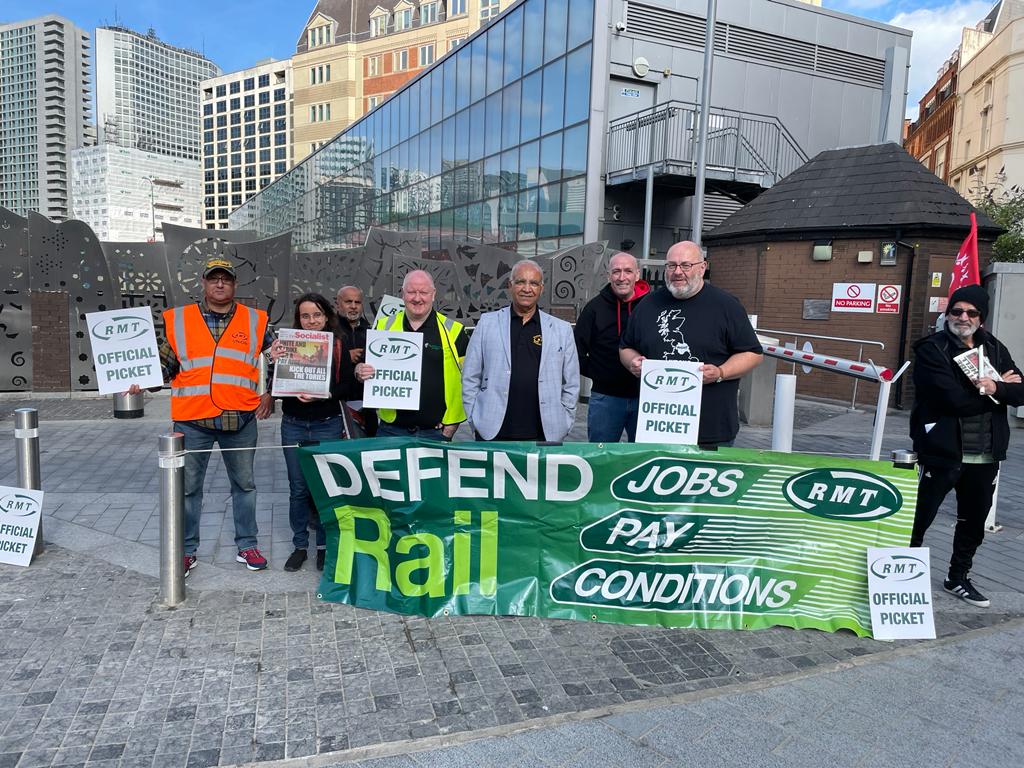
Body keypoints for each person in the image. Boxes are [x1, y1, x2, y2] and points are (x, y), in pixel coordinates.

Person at [131, 256, 274, 574]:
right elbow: (165, 366)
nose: (220, 283)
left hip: (240, 419)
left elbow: (278, 359)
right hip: (193, 421)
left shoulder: (256, 320)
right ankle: (186, 550)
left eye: (226, 279)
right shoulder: (178, 320)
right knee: (187, 490)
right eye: (214, 278)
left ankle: (247, 546)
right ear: (204, 283)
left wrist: (271, 392)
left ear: (234, 285)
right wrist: (143, 381)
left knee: (245, 487)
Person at [909, 284, 1024, 607]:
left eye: (971, 312)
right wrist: (998, 390)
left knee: (974, 520)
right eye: (957, 311)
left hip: (986, 451)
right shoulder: (932, 349)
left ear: (981, 318)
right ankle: (901, 573)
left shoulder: (995, 348)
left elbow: (1022, 391)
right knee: (920, 516)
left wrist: (993, 387)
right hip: (943, 450)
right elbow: (951, 400)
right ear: (947, 314)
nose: (963, 317)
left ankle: (957, 577)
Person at [619, 241, 762, 449]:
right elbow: (626, 346)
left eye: (686, 265)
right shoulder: (647, 305)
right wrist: (633, 362)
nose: (677, 272)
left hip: (711, 430)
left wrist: (721, 372)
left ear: (702, 268)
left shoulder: (726, 306)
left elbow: (753, 353)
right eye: (671, 266)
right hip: (657, 427)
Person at [270, 293, 353, 572]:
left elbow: (349, 388)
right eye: (305, 316)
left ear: (327, 316)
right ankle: (299, 546)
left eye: (317, 315)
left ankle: (324, 546)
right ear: (298, 319)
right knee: (298, 489)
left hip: (327, 422)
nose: (311, 321)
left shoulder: (337, 345)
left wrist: (323, 395)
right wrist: (273, 360)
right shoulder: (286, 344)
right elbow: (274, 385)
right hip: (293, 424)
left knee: (326, 489)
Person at [463, 259, 579, 442]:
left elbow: (571, 382)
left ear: (541, 288)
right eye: (520, 282)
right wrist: (474, 417)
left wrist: (566, 420)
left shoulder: (562, 329)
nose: (527, 288)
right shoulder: (487, 323)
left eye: (533, 283)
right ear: (510, 285)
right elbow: (470, 376)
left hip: (545, 432)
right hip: (493, 430)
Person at [355, 270, 467, 441]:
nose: (417, 298)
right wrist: (360, 371)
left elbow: (468, 380)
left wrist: (454, 423)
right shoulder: (382, 327)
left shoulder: (454, 331)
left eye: (423, 292)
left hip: (436, 433)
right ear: (402, 293)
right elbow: (362, 367)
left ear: (433, 294)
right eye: (411, 292)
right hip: (391, 430)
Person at [575, 252, 650, 441]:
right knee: (601, 458)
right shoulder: (594, 308)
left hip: (647, 397)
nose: (622, 277)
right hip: (606, 397)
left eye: (628, 271)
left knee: (647, 457)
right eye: (616, 271)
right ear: (608, 276)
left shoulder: (651, 306)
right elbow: (575, 351)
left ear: (637, 275)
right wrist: (599, 373)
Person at [336, 285, 377, 436]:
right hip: (338, 407)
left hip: (367, 406)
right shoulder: (329, 329)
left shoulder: (372, 330)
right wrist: (347, 356)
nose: (353, 306)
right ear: (338, 304)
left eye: (357, 302)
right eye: (348, 302)